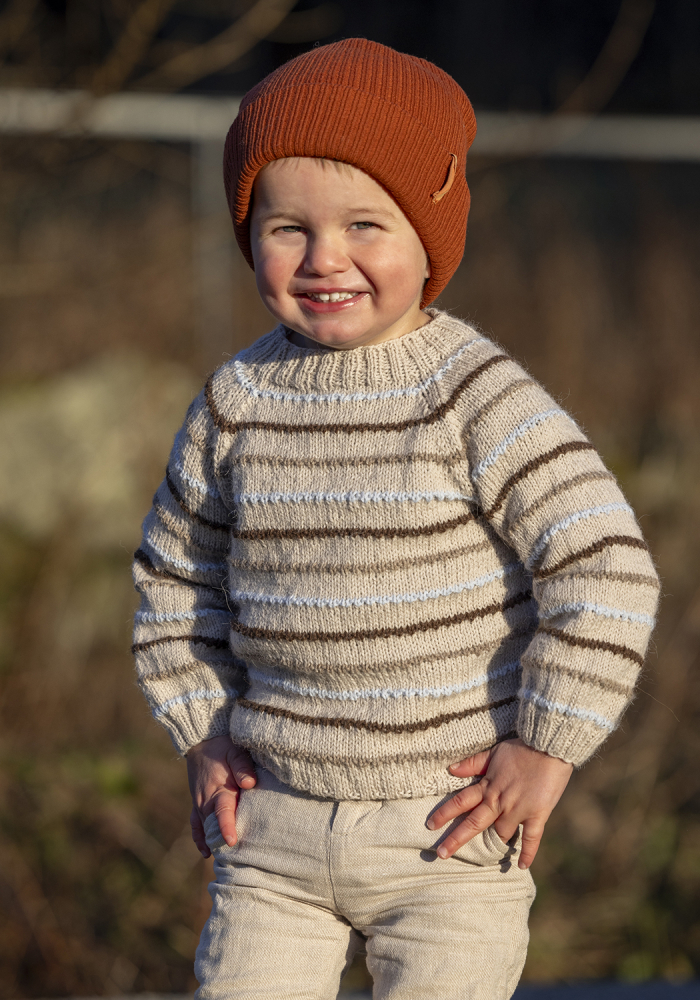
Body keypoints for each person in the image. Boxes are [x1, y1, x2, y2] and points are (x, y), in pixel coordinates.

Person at [132, 38, 659, 1000]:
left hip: (447, 831)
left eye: (365, 224)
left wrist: (545, 743)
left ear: (430, 235)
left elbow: (604, 564)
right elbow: (175, 580)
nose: (324, 259)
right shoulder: (235, 403)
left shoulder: (476, 397)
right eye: (287, 227)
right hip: (273, 832)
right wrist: (203, 730)